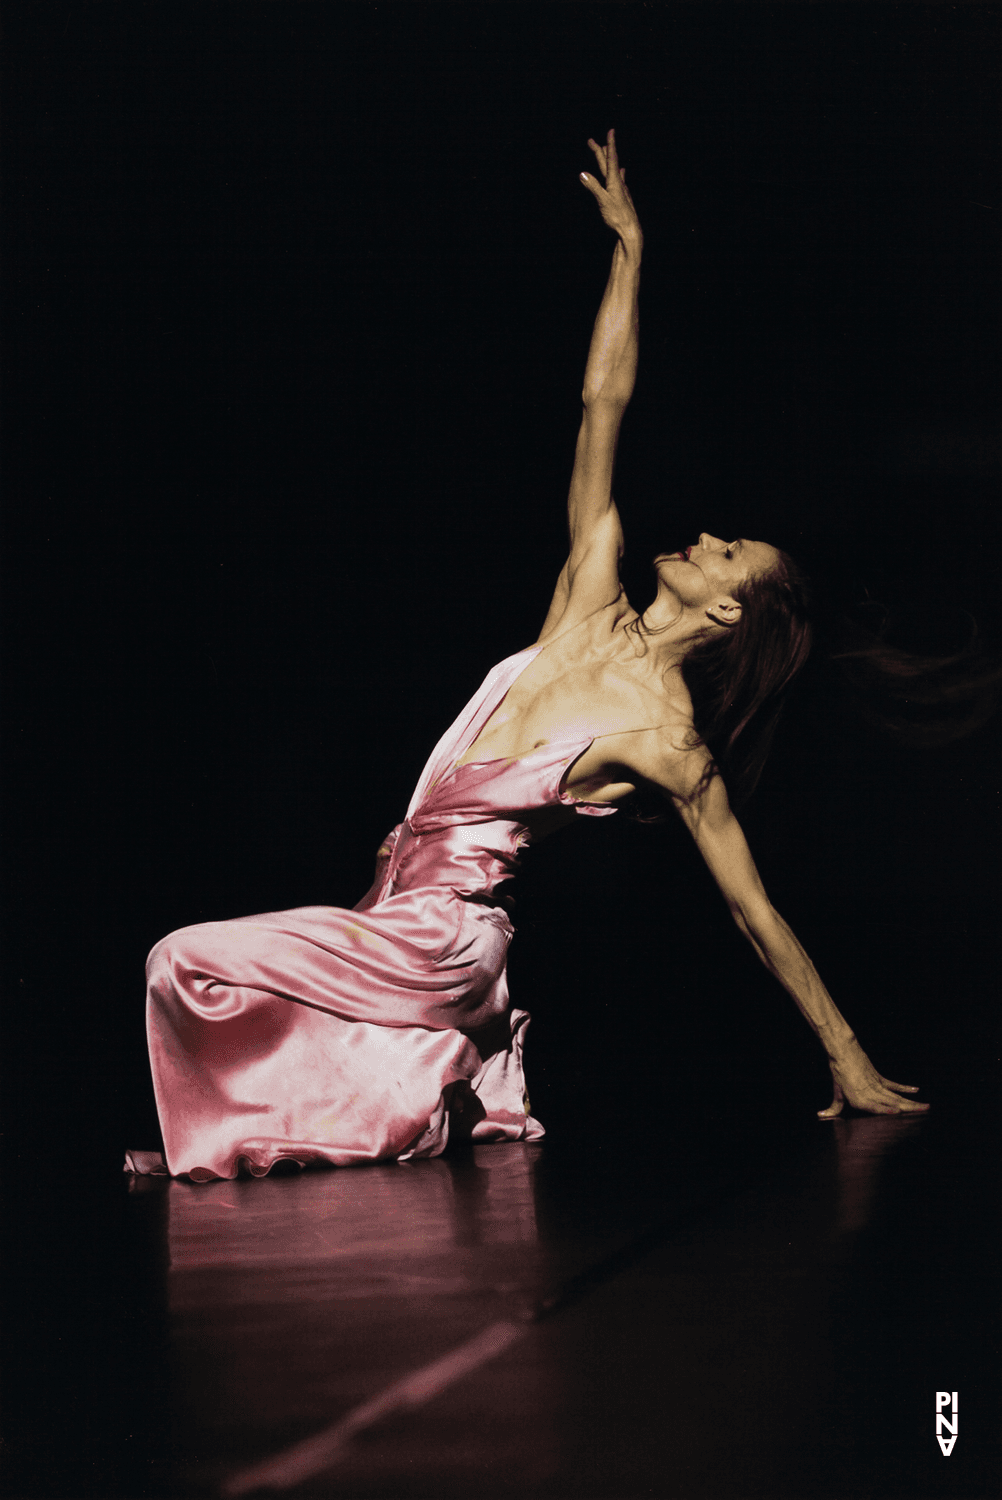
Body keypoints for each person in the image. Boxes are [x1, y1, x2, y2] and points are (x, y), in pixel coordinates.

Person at [135, 131, 927, 1184]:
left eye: (727, 552)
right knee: (309, 1050)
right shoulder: (587, 602)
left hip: (445, 942)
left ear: (732, 609)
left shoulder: (666, 738)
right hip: (391, 911)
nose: (705, 538)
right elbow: (604, 403)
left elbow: (754, 909)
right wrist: (631, 252)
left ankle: (288, 1110)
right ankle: (327, 1114)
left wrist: (848, 1055)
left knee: (179, 959)